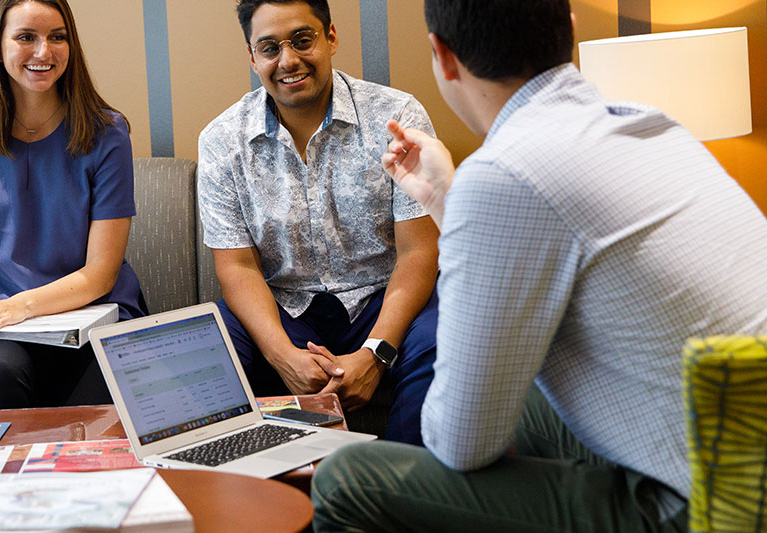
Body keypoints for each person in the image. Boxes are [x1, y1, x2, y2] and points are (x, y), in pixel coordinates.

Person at [311, 0, 767, 531]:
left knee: (348, 480)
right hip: (737, 453)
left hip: (711, 508)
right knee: (521, 401)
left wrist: (465, 211)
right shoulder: (652, 125)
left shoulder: (507, 172)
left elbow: (459, 444)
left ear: (443, 55)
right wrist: (447, 197)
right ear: (568, 29)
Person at [197, 0, 440, 444]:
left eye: (302, 40)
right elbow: (237, 268)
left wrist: (376, 352)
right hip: (285, 312)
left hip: (383, 303)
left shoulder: (397, 117)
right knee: (207, 352)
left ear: (330, 37)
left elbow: (419, 251)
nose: (288, 60)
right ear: (253, 59)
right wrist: (281, 355)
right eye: (269, 48)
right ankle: (247, 496)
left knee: (446, 340)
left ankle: (406, 493)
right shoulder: (221, 141)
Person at [0, 0, 148, 410]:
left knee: (95, 409)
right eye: (26, 37)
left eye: (58, 37)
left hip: (98, 315)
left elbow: (99, 275)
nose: (44, 52)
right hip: (10, 328)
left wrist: (15, 307)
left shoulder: (107, 135)